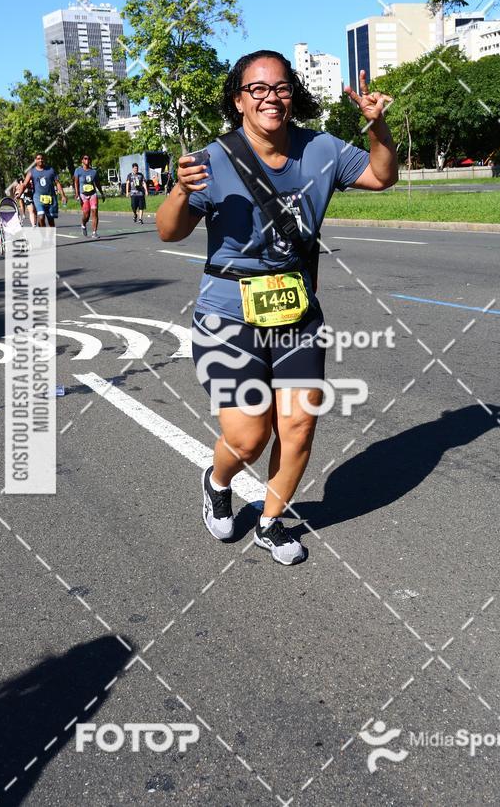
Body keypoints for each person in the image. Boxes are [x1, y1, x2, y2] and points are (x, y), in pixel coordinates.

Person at [157, 49, 398, 566]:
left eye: (281, 87)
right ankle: (218, 481)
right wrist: (179, 189)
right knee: (248, 437)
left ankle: (270, 521)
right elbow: (169, 232)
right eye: (258, 89)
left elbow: (382, 176)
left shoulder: (321, 149)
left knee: (298, 426)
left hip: (297, 312)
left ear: (294, 93)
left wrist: (377, 127)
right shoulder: (211, 160)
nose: (271, 98)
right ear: (238, 100)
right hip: (227, 315)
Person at [17, 154, 67, 227]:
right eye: (38, 158)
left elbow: (57, 183)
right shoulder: (32, 171)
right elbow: (24, 184)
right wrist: (19, 194)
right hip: (38, 197)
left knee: (51, 221)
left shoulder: (50, 170)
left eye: (42, 158)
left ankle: (48, 233)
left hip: (51, 197)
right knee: (41, 216)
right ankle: (43, 233)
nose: (40, 160)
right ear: (35, 160)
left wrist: (63, 196)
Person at [74, 154, 106, 239]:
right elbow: (76, 183)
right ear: (82, 160)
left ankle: (94, 232)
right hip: (83, 195)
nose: (87, 160)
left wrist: (102, 193)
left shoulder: (93, 172)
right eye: (85, 158)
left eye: (88, 159)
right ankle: (83, 224)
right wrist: (76, 193)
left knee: (94, 212)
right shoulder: (78, 170)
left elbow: (97, 183)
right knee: (86, 215)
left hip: (93, 194)